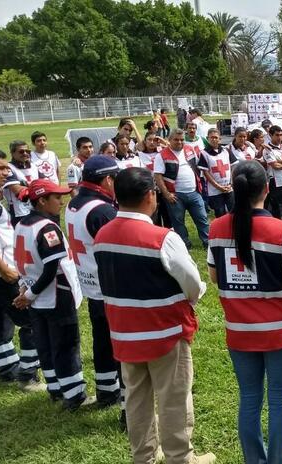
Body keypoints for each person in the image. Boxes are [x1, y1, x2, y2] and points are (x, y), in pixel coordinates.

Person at [93, 167, 215, 464]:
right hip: (164, 333)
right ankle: (180, 457)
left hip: (124, 333)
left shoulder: (102, 235)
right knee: (174, 398)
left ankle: (143, 456)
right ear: (151, 195)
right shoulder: (162, 238)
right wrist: (196, 296)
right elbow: (192, 284)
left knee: (136, 398)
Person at [208, 160, 282, 464]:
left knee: (249, 399)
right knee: (280, 401)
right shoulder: (281, 231)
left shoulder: (216, 228)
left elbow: (214, 277)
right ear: (267, 187)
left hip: (239, 330)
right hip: (281, 329)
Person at [13, 179, 88, 410]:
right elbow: (51, 268)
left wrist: (26, 290)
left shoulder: (22, 224)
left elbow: (24, 263)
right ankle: (74, 395)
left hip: (35, 297)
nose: (62, 202)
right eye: (56, 198)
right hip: (55, 295)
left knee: (46, 344)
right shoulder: (46, 228)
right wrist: (32, 293)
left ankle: (55, 388)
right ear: (42, 201)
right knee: (65, 344)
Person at [64, 156, 122, 409]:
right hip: (109, 288)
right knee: (120, 347)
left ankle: (106, 391)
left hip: (91, 286)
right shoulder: (102, 210)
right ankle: (124, 403)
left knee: (102, 341)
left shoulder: (74, 202)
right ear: (107, 179)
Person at [0, 147, 41, 390]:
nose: (6, 171)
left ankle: (7, 367)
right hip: (0, 272)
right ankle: (27, 375)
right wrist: (4, 269)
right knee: (31, 319)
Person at [153, 129, 210, 249]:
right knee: (178, 222)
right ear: (169, 140)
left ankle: (208, 243)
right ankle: (185, 244)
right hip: (175, 195)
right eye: (176, 140)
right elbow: (158, 176)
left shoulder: (190, 149)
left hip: (194, 192)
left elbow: (198, 166)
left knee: (202, 218)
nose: (179, 142)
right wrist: (167, 194)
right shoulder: (161, 155)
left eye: (182, 139)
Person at [198, 128, 236, 217]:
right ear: (207, 138)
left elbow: (233, 167)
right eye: (211, 137)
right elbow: (205, 173)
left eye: (216, 137)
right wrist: (218, 187)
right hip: (214, 190)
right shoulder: (204, 153)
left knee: (233, 211)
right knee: (220, 213)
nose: (214, 139)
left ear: (220, 139)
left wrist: (231, 183)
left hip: (228, 187)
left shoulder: (226, 150)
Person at [3, 140, 38, 226]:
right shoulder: (8, 168)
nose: (25, 153)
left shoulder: (33, 166)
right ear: (12, 153)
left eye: (28, 151)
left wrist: (27, 187)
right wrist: (38, 190)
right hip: (19, 211)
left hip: (35, 207)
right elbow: (17, 190)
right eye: (21, 151)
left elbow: (46, 183)